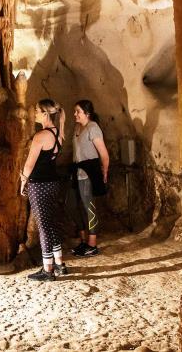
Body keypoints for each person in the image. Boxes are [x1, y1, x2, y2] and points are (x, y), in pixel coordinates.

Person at [20, 99, 68, 282]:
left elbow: (29, 164)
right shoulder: (58, 133)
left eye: (37, 112)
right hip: (53, 184)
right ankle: (59, 264)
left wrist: (23, 182)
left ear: (46, 114)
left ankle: (48, 270)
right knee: (52, 223)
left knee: (43, 227)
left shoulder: (40, 136)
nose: (35, 114)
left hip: (39, 185)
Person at [70, 99, 109, 257]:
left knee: (89, 208)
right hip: (76, 172)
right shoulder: (77, 127)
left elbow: (104, 153)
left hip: (88, 173)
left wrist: (104, 172)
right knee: (71, 205)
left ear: (87, 113)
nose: (75, 114)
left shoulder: (93, 127)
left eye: (77, 111)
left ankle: (92, 245)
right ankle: (83, 240)